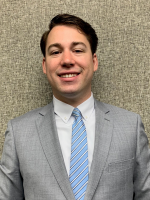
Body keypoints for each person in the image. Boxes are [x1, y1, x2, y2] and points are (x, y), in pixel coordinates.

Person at [0, 14, 150, 200]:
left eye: (78, 50)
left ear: (94, 61)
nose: (67, 60)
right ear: (45, 66)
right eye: (56, 52)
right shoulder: (18, 133)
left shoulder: (130, 126)